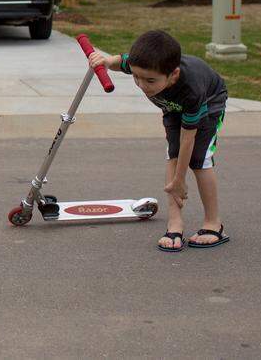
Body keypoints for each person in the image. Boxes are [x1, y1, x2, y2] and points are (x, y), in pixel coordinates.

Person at [89, 30, 229, 251]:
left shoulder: (192, 89)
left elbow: (187, 139)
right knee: (171, 155)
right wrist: (105, 61)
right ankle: (175, 223)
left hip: (208, 104)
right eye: (136, 77)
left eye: (150, 80)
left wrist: (180, 181)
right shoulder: (144, 65)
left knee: (199, 160)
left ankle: (214, 224)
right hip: (172, 106)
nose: (142, 85)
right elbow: (121, 61)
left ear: (173, 75)